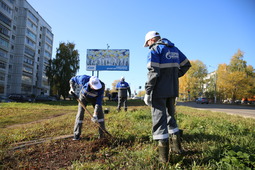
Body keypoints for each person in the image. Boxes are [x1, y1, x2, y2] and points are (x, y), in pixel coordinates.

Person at [143, 31, 191, 162]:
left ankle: (163, 158)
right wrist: (174, 76)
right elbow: (187, 64)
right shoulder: (174, 49)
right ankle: (177, 148)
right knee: (171, 117)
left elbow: (153, 72)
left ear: (151, 40)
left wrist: (148, 91)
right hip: (172, 90)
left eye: (147, 44)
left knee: (159, 120)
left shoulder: (155, 50)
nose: (148, 46)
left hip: (159, 91)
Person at [69, 75, 106, 140]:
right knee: (80, 114)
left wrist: (95, 114)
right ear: (90, 84)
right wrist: (71, 88)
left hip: (95, 99)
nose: (96, 89)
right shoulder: (83, 79)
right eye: (94, 87)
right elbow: (72, 79)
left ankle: (102, 136)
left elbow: (98, 102)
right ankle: (76, 135)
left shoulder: (102, 86)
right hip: (83, 97)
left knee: (100, 116)